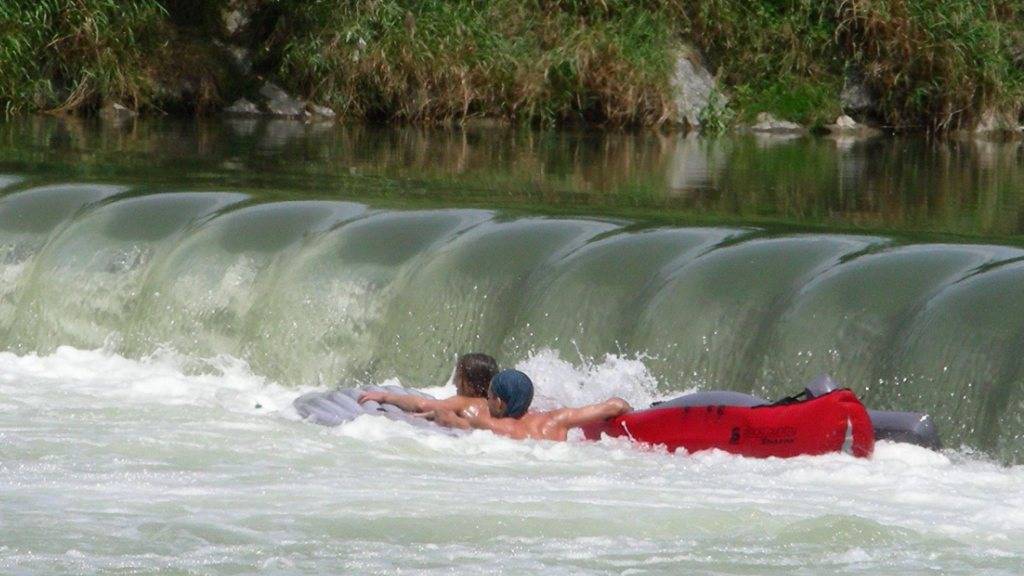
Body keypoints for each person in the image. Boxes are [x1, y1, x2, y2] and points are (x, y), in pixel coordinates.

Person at [428, 369, 632, 441]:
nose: (487, 402)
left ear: (499, 402)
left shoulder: (494, 427)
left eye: (489, 397)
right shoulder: (557, 420)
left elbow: (450, 420)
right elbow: (615, 405)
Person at [357, 353, 498, 417]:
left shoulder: (465, 402)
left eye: (459, 376)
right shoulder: (494, 407)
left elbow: (422, 405)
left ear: (470, 384)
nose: (455, 382)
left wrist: (385, 397)